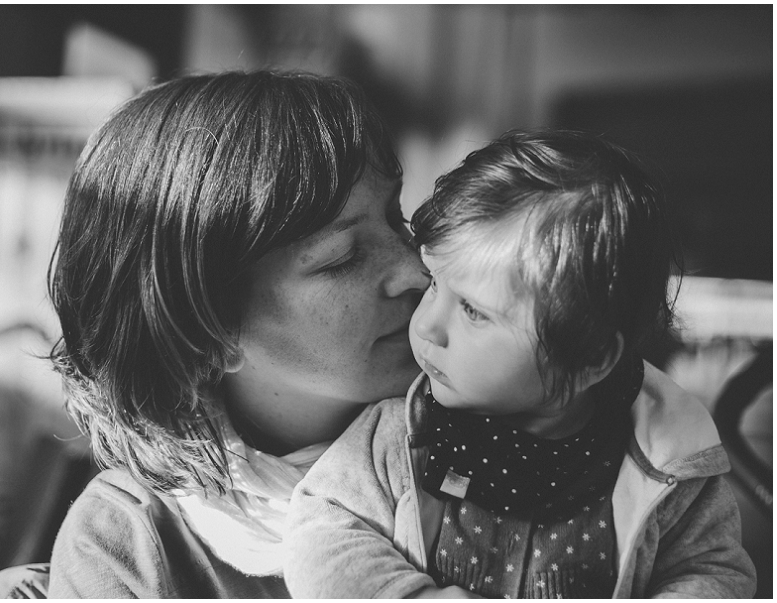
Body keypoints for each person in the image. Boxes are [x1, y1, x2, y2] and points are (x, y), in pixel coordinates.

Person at [0, 70, 428, 598]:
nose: (413, 270)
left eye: (397, 218)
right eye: (341, 259)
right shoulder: (130, 544)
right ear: (205, 333)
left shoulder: (494, 448)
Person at [283, 130, 757, 599]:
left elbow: (714, 571)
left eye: (472, 311)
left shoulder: (668, 459)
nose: (426, 325)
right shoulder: (398, 432)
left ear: (589, 359)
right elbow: (322, 534)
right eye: (434, 283)